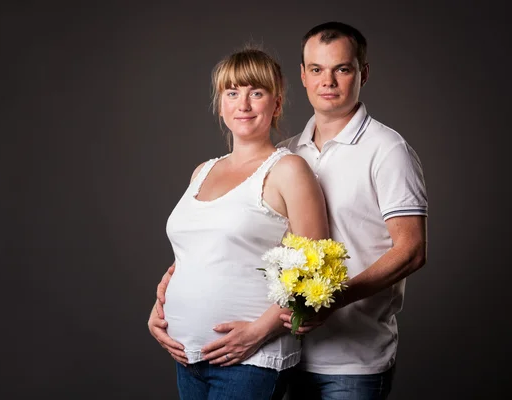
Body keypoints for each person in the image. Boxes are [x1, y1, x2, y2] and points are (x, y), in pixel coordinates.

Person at [152, 22, 428, 399]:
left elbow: (410, 250)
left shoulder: (386, 149)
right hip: (296, 351)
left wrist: (327, 301)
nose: (327, 81)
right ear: (303, 75)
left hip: (350, 357)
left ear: (362, 73)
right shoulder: (291, 150)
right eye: (316, 69)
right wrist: (169, 293)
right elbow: (231, 248)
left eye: (342, 69)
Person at [147, 47, 330, 400]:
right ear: (220, 104)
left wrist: (258, 333)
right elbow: (200, 253)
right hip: (188, 356)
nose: (243, 105)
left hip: (250, 361)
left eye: (256, 93)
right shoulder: (202, 171)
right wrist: (159, 308)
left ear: (276, 105)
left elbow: (316, 270)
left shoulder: (289, 169)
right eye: (232, 93)